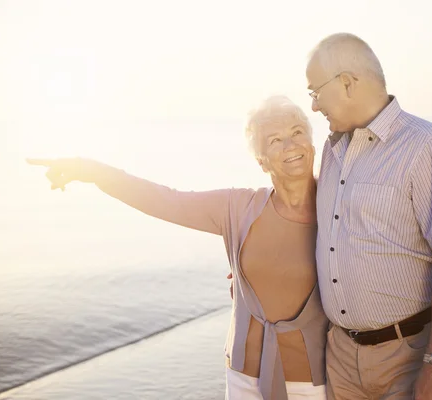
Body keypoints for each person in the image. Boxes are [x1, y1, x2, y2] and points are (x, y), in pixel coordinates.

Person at [27, 95, 329, 400]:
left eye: (297, 132)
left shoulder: (338, 212)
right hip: (243, 377)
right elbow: (165, 200)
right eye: (275, 140)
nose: (290, 145)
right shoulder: (237, 208)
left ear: (312, 144)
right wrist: (90, 170)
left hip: (310, 382)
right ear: (261, 160)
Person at [305, 33, 432, 400]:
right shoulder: (331, 150)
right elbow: (326, 235)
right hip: (339, 356)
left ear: (347, 83)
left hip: (409, 356)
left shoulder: (430, 147)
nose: (315, 107)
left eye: (314, 93)